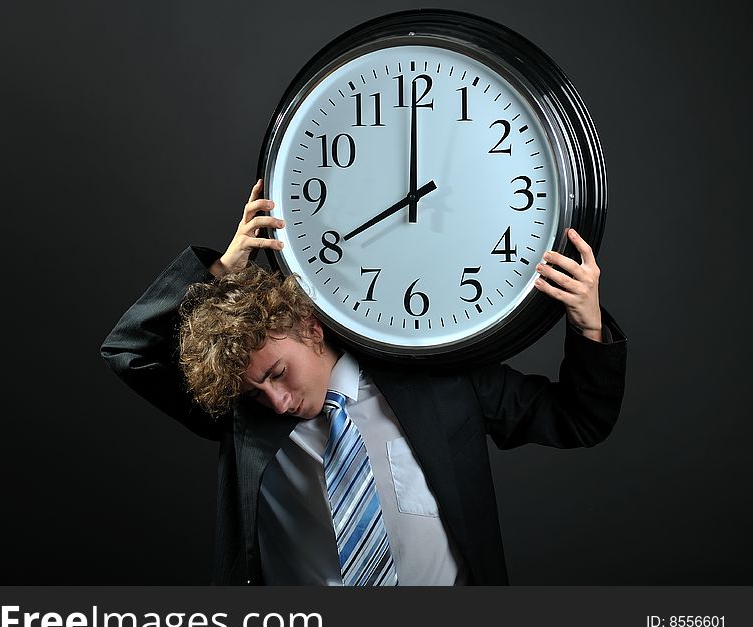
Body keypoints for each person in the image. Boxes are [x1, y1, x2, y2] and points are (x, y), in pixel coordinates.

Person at [100, 179, 627, 585]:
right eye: (255, 391)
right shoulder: (247, 418)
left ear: (306, 324)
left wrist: (588, 324)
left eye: (277, 374)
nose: (277, 402)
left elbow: (579, 419)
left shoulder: (439, 379)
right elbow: (129, 349)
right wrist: (217, 271)